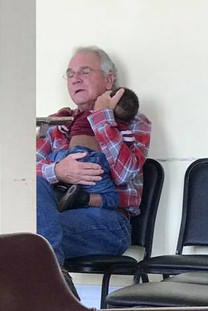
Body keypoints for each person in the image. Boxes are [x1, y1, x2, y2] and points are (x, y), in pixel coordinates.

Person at [36, 46, 151, 295]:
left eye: (84, 71)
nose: (75, 79)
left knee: (25, 239)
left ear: (109, 80)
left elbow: (124, 172)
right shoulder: (56, 123)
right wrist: (58, 171)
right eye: (70, 74)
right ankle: (54, 286)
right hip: (54, 216)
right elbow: (23, 172)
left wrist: (102, 117)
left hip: (108, 221)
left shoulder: (133, 120)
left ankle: (51, 293)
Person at [50, 87, 141, 212]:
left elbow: (123, 176)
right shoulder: (117, 125)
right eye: (70, 76)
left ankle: (62, 192)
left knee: (49, 162)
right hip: (92, 162)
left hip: (67, 157)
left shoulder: (80, 116)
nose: (76, 80)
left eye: (86, 75)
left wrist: (63, 114)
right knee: (112, 198)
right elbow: (129, 140)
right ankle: (82, 198)